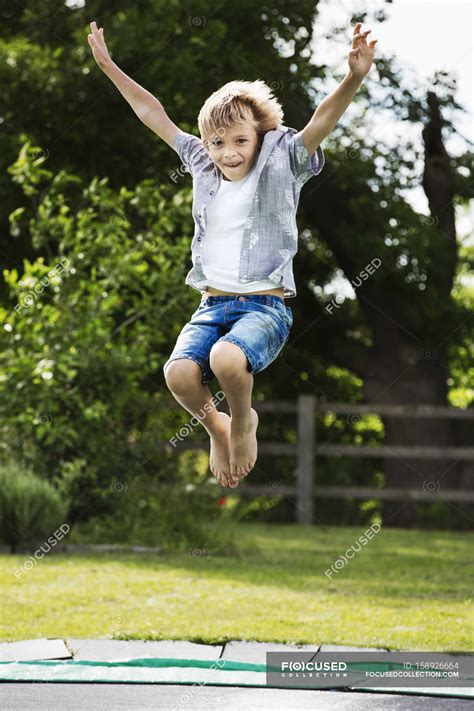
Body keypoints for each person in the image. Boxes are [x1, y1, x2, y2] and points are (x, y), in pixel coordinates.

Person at [87, 20, 377, 489]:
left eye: (240, 141)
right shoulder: (202, 162)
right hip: (212, 303)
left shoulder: (284, 157)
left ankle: (243, 423)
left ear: (260, 135)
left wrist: (354, 77)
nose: (228, 152)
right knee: (180, 375)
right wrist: (109, 66)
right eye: (218, 143)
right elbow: (152, 113)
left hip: (265, 306)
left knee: (226, 360)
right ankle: (217, 427)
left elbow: (322, 119)